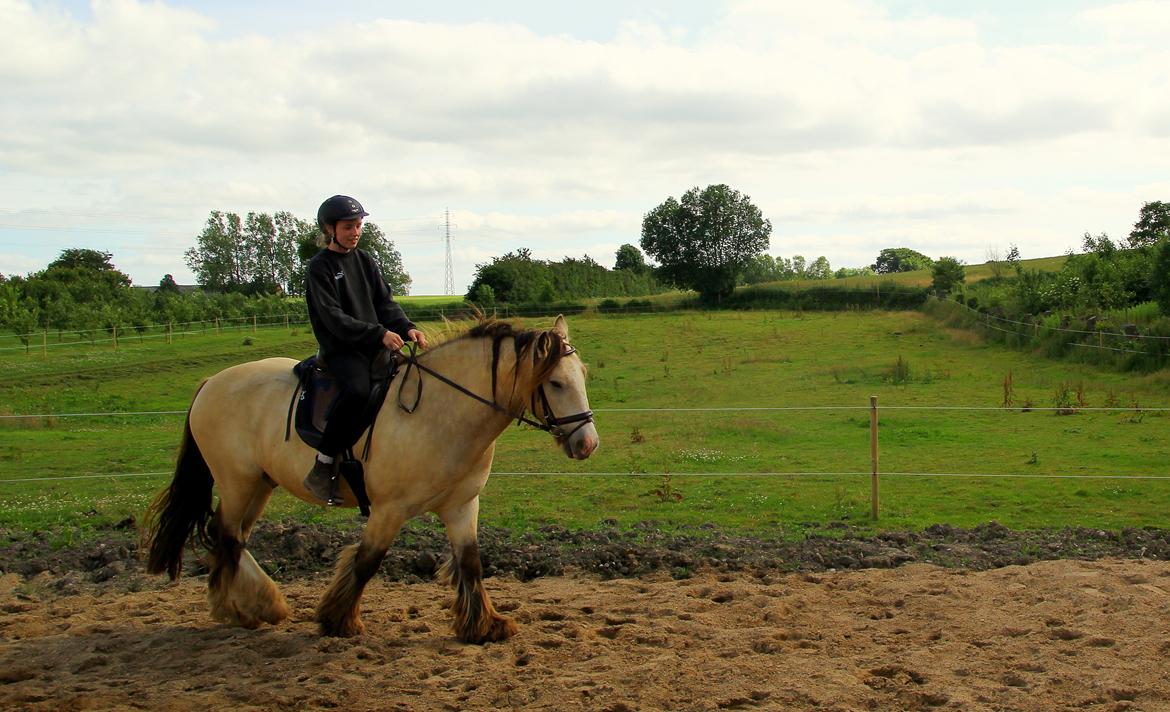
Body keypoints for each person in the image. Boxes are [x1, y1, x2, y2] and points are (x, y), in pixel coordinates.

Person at [302, 194, 428, 504]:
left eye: (358, 225)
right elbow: (334, 318)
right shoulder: (320, 268)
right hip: (341, 350)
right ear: (330, 229)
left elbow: (385, 303)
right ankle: (324, 462)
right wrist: (379, 334)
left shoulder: (365, 260)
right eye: (348, 227)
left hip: (374, 345)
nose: (356, 232)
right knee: (358, 391)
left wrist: (406, 327)